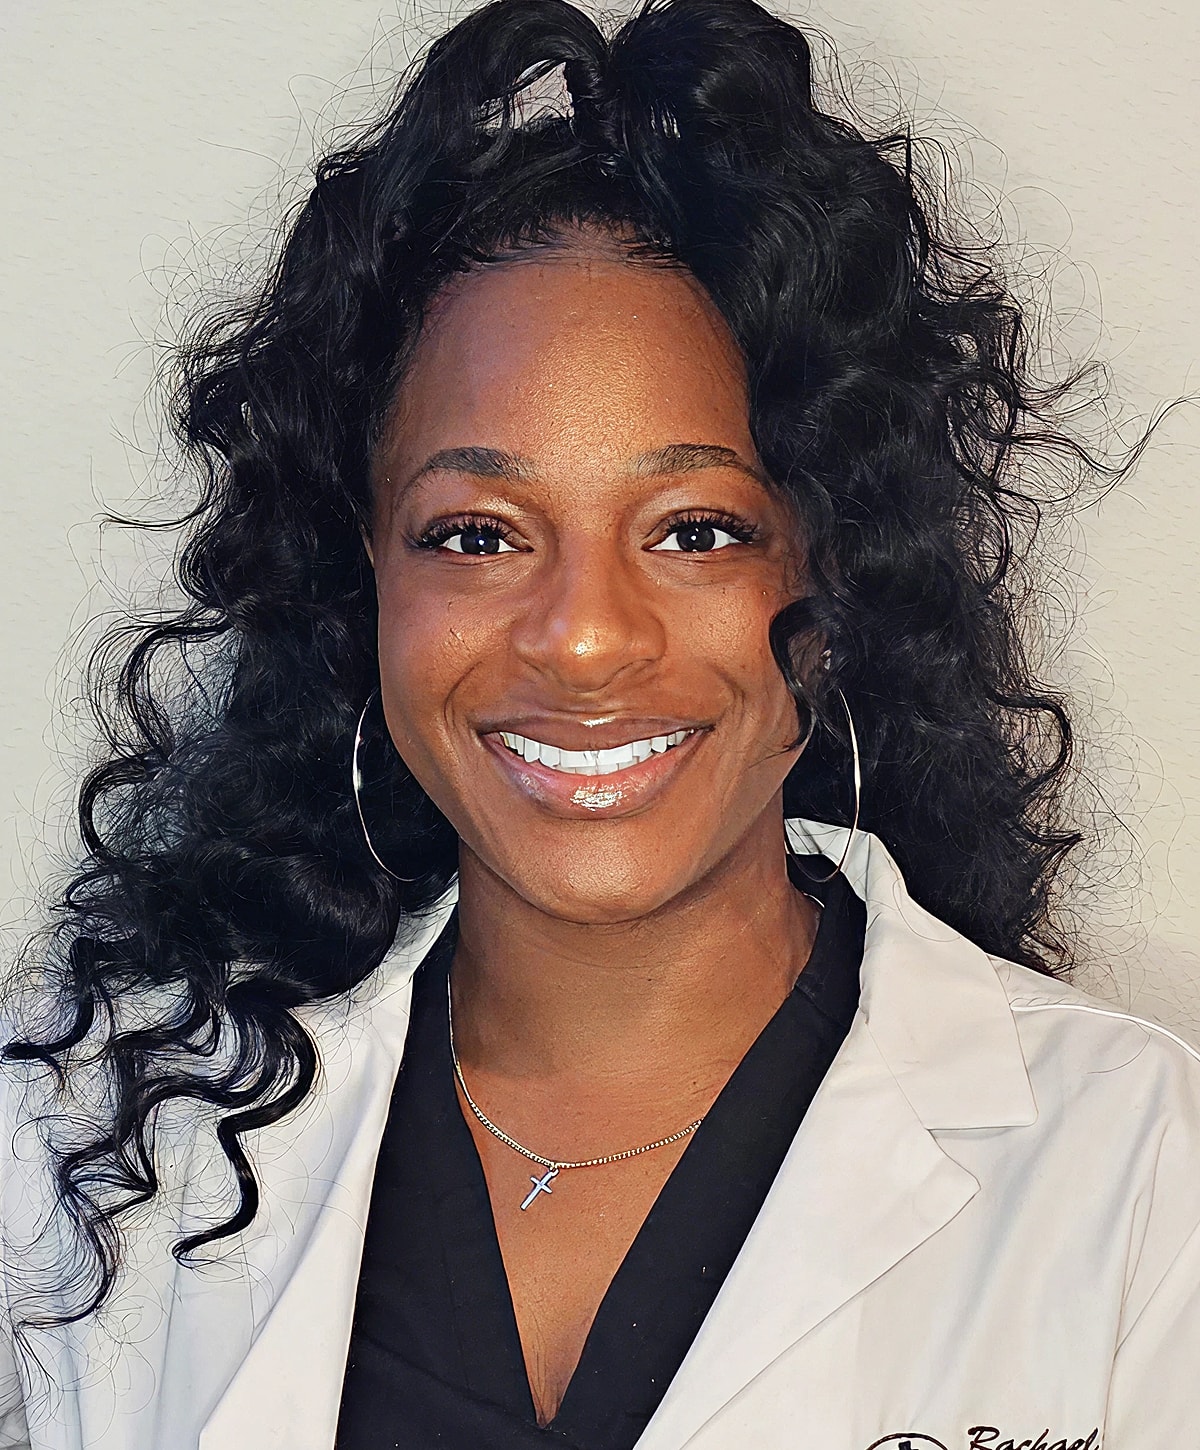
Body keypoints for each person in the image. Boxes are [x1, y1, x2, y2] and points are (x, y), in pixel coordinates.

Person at [0, 0, 1197, 1446]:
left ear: (835, 571)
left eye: (696, 529)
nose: (582, 635)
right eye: (477, 534)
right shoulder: (90, 1153)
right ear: (357, 575)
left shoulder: (1138, 1174)